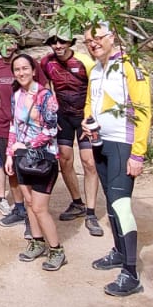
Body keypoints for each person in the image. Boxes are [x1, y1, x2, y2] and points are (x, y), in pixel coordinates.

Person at [83, 22, 153, 297]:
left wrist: (138, 153)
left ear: (111, 37)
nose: (93, 44)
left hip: (123, 144)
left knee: (121, 205)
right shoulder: (95, 69)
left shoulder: (129, 65)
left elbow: (143, 110)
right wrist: (87, 120)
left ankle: (131, 273)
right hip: (100, 142)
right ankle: (119, 251)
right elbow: (91, 102)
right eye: (88, 41)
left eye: (97, 38)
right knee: (110, 203)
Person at [4, 53, 66, 270]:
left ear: (33, 70)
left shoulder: (45, 96)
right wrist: (9, 154)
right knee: (29, 202)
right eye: (17, 69)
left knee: (39, 207)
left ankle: (57, 249)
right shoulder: (16, 95)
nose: (21, 73)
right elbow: (14, 126)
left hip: (43, 158)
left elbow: (51, 130)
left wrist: (28, 145)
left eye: (25, 68)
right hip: (22, 158)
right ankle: (37, 242)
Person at [42, 32, 100, 236]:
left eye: (62, 41)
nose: (58, 45)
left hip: (85, 117)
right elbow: (45, 87)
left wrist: (93, 117)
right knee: (65, 161)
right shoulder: (47, 62)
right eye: (53, 42)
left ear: (70, 42)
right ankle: (77, 203)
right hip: (62, 118)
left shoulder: (84, 62)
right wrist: (50, 114)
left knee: (89, 162)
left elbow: (96, 90)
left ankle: (91, 212)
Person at [0, 33, 35, 229]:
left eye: (10, 41)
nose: (6, 46)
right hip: (5, 126)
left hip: (28, 128)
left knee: (29, 170)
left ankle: (33, 213)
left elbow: (42, 89)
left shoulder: (26, 64)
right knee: (11, 170)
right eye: (2, 41)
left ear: (17, 44)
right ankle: (19, 208)